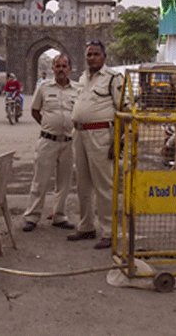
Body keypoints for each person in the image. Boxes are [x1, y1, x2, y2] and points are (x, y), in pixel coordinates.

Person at [68, 40, 124, 250]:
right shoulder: (84, 78)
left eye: (95, 54)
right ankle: (86, 226)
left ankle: (110, 232)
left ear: (104, 57)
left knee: (104, 185)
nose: (91, 57)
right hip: (79, 134)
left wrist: (118, 140)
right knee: (82, 183)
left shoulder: (113, 78)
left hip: (101, 135)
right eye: (89, 54)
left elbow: (124, 109)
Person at [22, 54, 77, 232]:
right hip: (48, 140)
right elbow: (35, 111)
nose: (61, 69)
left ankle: (59, 216)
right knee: (40, 180)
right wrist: (49, 126)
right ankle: (32, 216)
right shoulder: (44, 88)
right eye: (58, 66)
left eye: (64, 66)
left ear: (70, 68)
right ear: (53, 69)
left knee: (64, 182)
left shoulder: (77, 89)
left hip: (69, 142)